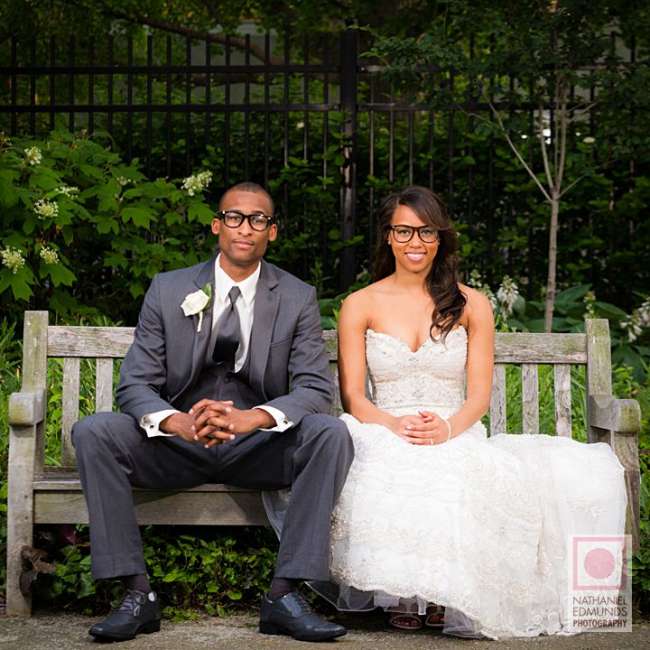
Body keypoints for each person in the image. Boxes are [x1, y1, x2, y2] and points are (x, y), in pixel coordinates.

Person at [326, 185, 627, 638]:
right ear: (388, 236)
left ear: (440, 237)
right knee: (385, 461)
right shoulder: (360, 304)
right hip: (383, 423)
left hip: (454, 425)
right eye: (404, 231)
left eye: (426, 231)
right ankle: (406, 592)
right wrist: (394, 423)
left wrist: (446, 428)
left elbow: (478, 398)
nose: (415, 242)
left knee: (456, 467)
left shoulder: (472, 304)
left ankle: (445, 594)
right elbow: (355, 396)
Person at [72, 182, 353, 643]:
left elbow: (314, 388)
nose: (247, 228)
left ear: (272, 232)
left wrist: (254, 418)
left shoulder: (297, 296)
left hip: (257, 445)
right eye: (236, 217)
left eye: (258, 219)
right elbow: (135, 384)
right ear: (216, 225)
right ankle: (136, 593)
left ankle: (283, 595)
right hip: (179, 444)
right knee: (95, 431)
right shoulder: (168, 289)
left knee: (330, 434)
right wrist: (176, 422)